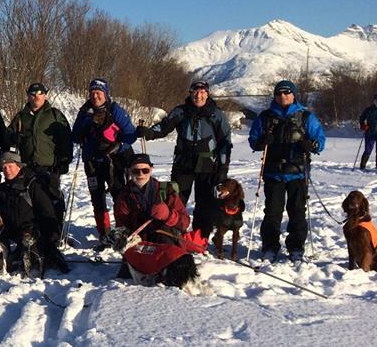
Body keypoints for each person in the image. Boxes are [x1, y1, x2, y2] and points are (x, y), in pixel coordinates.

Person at [136, 81, 232, 240]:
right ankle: (173, 234)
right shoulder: (181, 111)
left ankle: (201, 238)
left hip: (208, 166)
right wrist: (149, 132)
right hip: (183, 164)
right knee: (176, 200)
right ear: (190, 93)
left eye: (202, 92)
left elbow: (225, 142)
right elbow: (164, 127)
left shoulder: (216, 114)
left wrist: (223, 169)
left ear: (207, 94)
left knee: (204, 204)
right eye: (195, 91)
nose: (198, 95)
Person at [248, 80, 326, 262]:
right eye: (279, 93)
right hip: (273, 173)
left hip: (298, 173)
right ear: (275, 96)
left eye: (287, 93)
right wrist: (261, 142)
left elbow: (320, 141)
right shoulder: (265, 117)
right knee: (272, 212)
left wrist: (311, 144)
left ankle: (296, 247)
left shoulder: (306, 117)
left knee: (297, 211)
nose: (283, 96)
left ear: (293, 95)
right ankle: (269, 247)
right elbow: (254, 140)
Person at [0, 152, 70, 274]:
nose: (7, 170)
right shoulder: (2, 189)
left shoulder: (32, 186)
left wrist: (51, 238)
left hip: (32, 231)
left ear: (19, 166)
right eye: (4, 168)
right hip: (11, 230)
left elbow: (48, 212)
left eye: (10, 166)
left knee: (32, 256)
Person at [71, 78, 137, 246]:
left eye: (99, 92)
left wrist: (119, 147)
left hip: (113, 162)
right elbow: (75, 136)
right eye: (92, 92)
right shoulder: (85, 111)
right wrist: (85, 121)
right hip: (92, 162)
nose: (95, 96)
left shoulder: (115, 110)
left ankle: (122, 229)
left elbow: (131, 134)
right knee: (97, 197)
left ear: (105, 94)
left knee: (119, 195)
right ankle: (104, 231)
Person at [112, 154, 193, 281]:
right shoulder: (124, 196)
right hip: (139, 243)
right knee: (125, 279)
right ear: (129, 171)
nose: (141, 174)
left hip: (165, 239)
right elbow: (121, 226)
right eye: (135, 170)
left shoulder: (166, 191)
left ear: (151, 169)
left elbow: (185, 222)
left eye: (145, 170)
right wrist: (120, 237)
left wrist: (168, 215)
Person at [8, 82, 73, 233]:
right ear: (28, 96)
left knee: (52, 199)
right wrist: (14, 137)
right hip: (27, 167)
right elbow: (7, 136)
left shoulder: (54, 115)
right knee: (28, 200)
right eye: (33, 94)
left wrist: (64, 160)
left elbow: (66, 140)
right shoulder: (21, 117)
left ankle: (55, 232)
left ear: (45, 95)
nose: (36, 97)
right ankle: (33, 232)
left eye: (40, 93)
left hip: (50, 166)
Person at [358, 94, 377, 170]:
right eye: (376, 100)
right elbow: (361, 118)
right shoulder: (368, 110)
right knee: (368, 150)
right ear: (374, 101)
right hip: (370, 132)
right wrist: (363, 125)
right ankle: (362, 166)